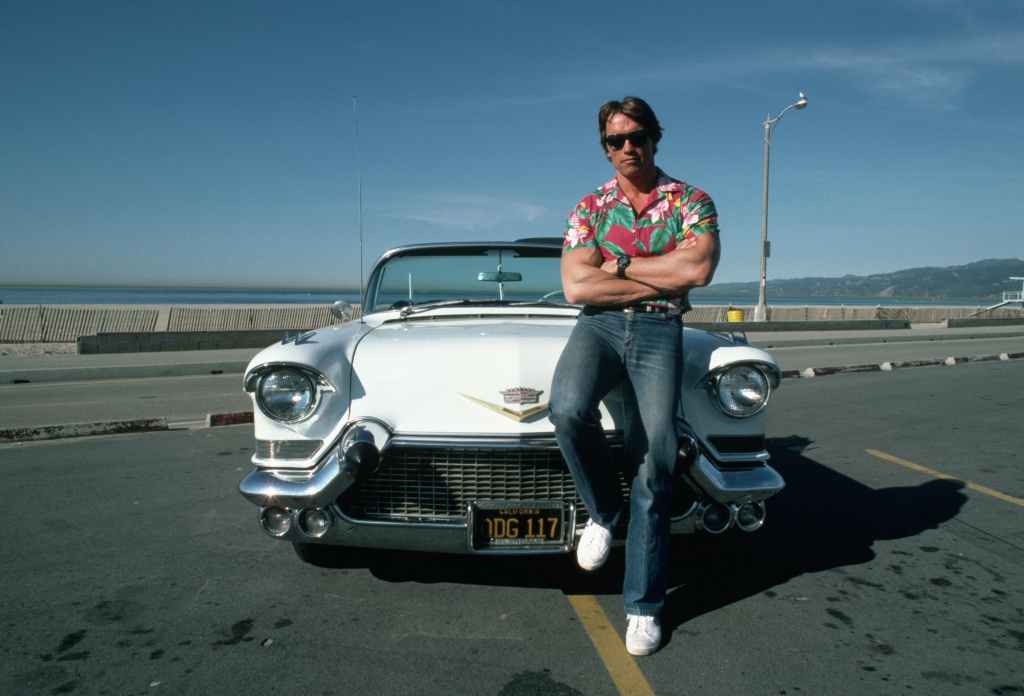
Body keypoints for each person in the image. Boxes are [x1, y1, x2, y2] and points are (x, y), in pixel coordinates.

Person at [549, 96, 720, 656]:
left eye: (637, 137)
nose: (628, 148)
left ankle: (643, 606)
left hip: (657, 333)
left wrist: (614, 266)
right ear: (604, 146)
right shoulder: (589, 206)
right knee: (567, 409)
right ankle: (603, 512)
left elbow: (698, 268)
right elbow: (577, 287)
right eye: (615, 141)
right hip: (596, 327)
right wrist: (659, 276)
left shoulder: (691, 200)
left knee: (656, 461)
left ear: (655, 138)